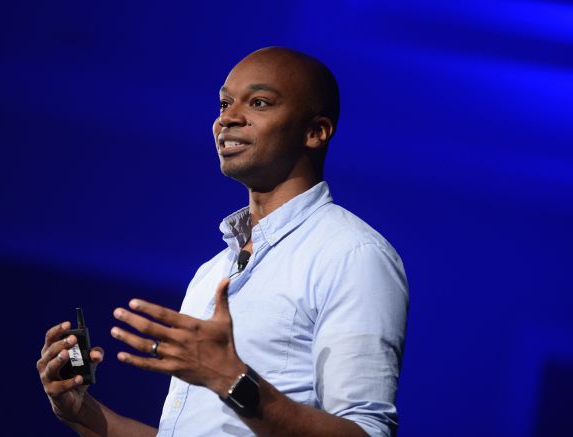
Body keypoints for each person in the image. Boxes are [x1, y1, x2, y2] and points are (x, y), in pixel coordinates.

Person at [37, 47, 409, 437]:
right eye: (224, 103)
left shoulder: (352, 255)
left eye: (259, 102)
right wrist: (82, 412)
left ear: (315, 131)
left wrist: (230, 378)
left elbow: (367, 432)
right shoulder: (210, 274)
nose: (227, 118)